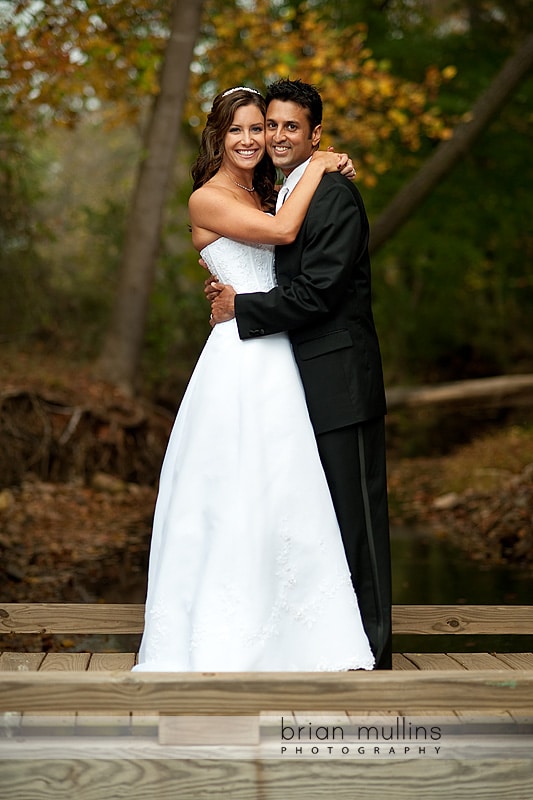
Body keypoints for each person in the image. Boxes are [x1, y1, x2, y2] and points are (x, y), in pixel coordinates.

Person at [133, 86, 374, 672]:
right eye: (238, 130)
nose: (252, 140)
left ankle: (293, 632)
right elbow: (285, 234)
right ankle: (224, 632)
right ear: (218, 135)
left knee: (283, 491)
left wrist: (322, 163)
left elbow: (292, 256)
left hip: (279, 355)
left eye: (259, 129)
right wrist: (321, 161)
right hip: (239, 359)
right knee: (232, 491)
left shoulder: (265, 189)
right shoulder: (206, 199)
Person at [209, 79, 392, 670]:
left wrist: (242, 307)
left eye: (292, 127)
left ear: (314, 134)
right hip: (292, 383)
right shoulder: (279, 193)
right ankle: (326, 648)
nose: (278, 136)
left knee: (356, 524)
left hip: (340, 380)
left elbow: (318, 294)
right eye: (272, 125)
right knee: (316, 522)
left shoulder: (333, 195)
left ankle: (373, 660)